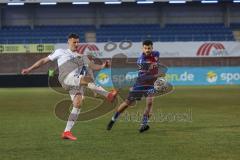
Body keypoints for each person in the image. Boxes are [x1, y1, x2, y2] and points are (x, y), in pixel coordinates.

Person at [21, 33, 117, 141]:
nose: (76, 44)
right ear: (68, 42)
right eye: (74, 42)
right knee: (86, 79)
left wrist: (103, 66)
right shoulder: (61, 52)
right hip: (66, 77)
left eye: (77, 42)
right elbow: (44, 60)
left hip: (74, 83)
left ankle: (67, 132)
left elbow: (92, 67)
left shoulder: (81, 56)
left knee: (78, 104)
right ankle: (108, 95)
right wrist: (29, 69)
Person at [107, 40, 164, 133]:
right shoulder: (141, 60)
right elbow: (146, 74)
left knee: (150, 103)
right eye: (145, 48)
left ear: (152, 48)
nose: (147, 50)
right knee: (127, 104)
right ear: (142, 48)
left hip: (151, 85)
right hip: (140, 84)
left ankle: (143, 125)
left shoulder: (156, 53)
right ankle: (113, 119)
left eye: (149, 48)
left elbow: (155, 63)